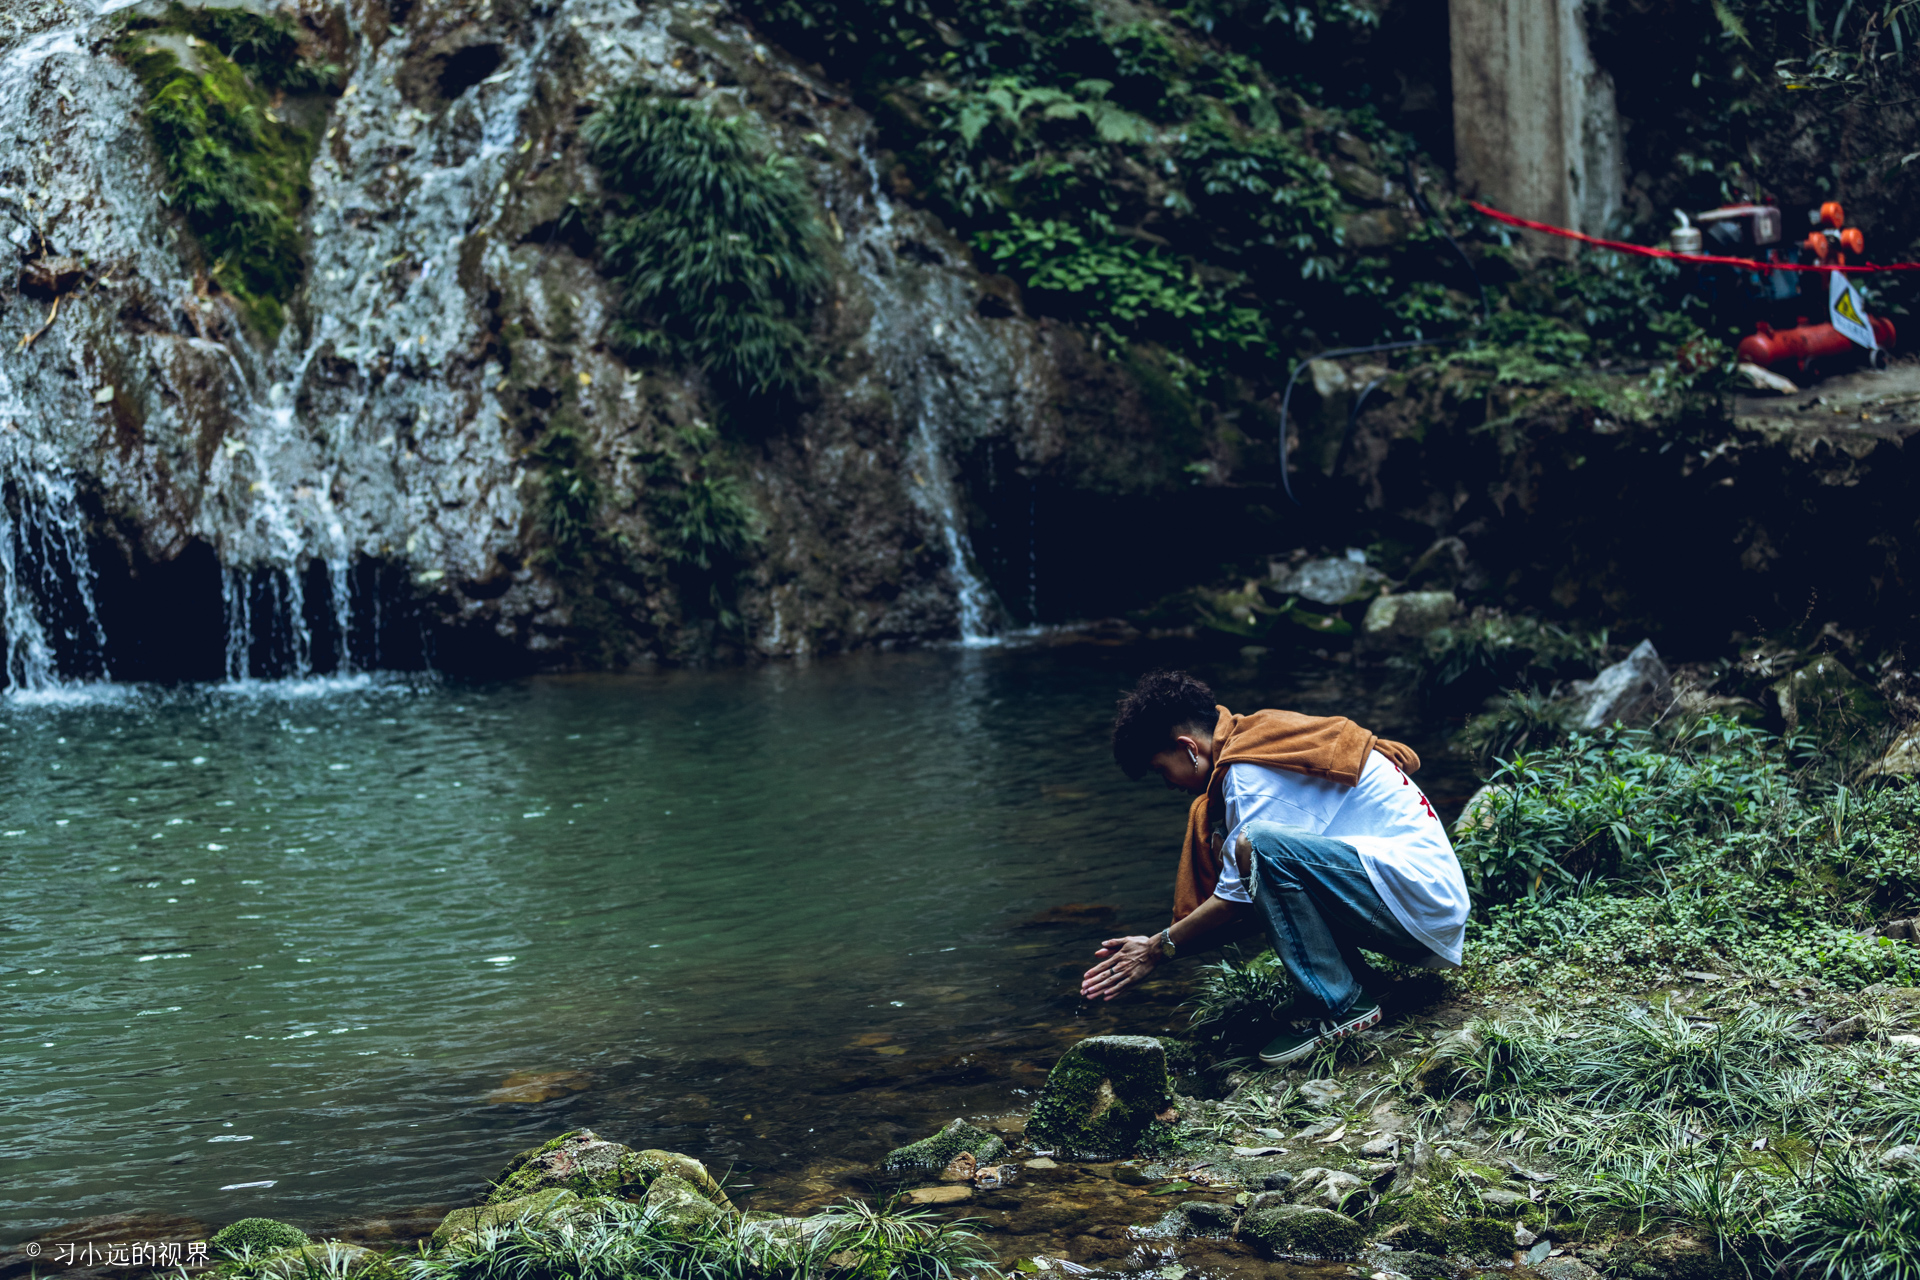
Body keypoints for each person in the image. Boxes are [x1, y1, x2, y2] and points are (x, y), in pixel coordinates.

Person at [1080, 670, 1469, 1065]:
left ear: (1188, 748)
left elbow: (1236, 899)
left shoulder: (1247, 775)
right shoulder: (1260, 739)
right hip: (1419, 905)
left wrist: (1157, 948)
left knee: (1257, 846)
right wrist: (1161, 946)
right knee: (1245, 853)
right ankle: (1360, 984)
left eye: (1162, 770)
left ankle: (1338, 1005)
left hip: (1420, 912)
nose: (1169, 785)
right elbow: (1259, 899)